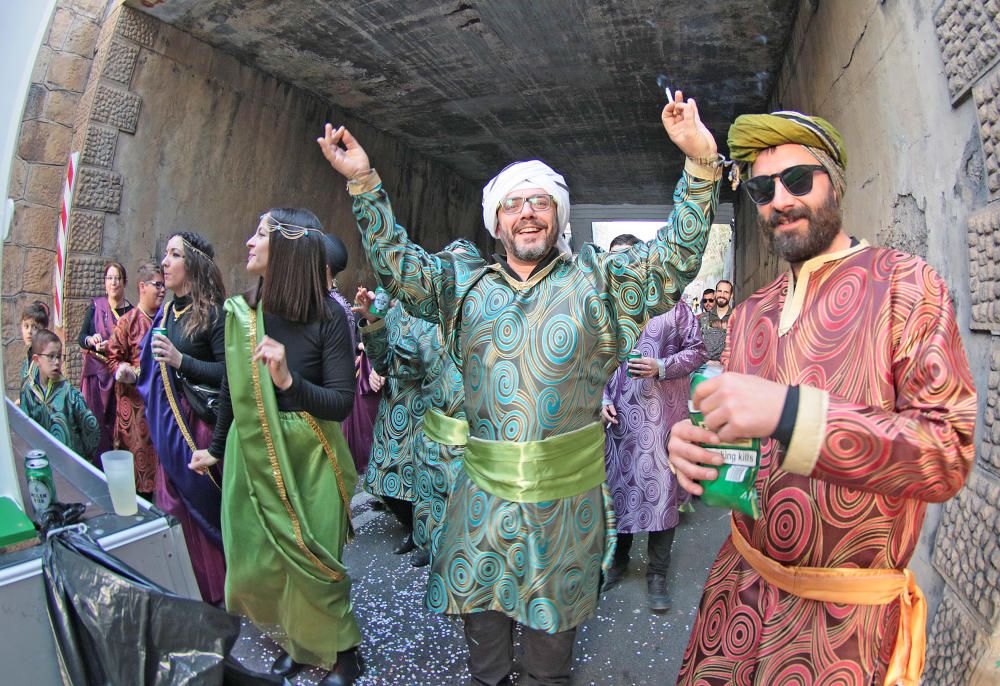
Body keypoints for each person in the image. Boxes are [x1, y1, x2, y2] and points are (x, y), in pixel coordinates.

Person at [318, 89, 721, 685]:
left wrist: (700, 165)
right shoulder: (463, 286)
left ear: (557, 215)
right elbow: (399, 266)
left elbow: (673, 258)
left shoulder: (600, 282)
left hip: (566, 507)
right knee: (483, 646)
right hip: (481, 501)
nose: (527, 212)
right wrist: (364, 183)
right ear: (496, 221)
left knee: (549, 655)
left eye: (540, 202)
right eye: (513, 205)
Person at [669, 111, 976, 686]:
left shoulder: (907, 286)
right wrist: (692, 446)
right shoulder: (749, 313)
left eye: (799, 181)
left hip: (841, 634)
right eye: (762, 189)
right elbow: (732, 435)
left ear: (834, 181)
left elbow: (946, 454)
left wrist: (792, 413)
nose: (780, 200)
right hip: (733, 603)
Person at [190, 209, 363, 686]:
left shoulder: (329, 315)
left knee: (314, 562)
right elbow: (233, 387)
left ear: (287, 247)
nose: (249, 242)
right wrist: (219, 448)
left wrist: (288, 381)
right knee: (265, 563)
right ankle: (301, 643)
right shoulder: (246, 313)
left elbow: (341, 403)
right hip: (257, 457)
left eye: (260, 233)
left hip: (313, 459)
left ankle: (345, 651)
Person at [359, 238, 484, 570]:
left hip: (484, 444)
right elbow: (399, 362)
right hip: (433, 434)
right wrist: (374, 325)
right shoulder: (426, 316)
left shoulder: (495, 316)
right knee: (425, 491)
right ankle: (430, 542)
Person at [600, 233, 708, 612]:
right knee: (618, 492)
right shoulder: (601, 307)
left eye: (628, 257)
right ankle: (617, 562)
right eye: (613, 258)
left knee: (662, 494)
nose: (619, 265)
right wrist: (599, 399)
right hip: (617, 425)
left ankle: (657, 574)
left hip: (661, 419)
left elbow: (698, 351)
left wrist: (662, 366)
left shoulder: (673, 306)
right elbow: (583, 362)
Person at [137, 231, 226, 604]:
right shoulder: (166, 313)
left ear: (193, 265)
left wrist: (181, 360)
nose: (165, 262)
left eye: (174, 254)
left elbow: (230, 373)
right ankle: (185, 588)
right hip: (172, 426)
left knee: (201, 510)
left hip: (200, 428)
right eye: (166, 255)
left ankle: (220, 591)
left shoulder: (213, 314)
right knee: (172, 508)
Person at [363, 296, 436, 557]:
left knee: (418, 477)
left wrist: (387, 367)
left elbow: (423, 359)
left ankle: (422, 534)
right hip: (393, 406)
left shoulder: (435, 310)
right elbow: (382, 351)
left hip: (419, 407)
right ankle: (415, 530)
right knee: (387, 477)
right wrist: (376, 370)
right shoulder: (394, 306)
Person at [106, 261, 166, 501]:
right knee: (139, 476)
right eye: (157, 285)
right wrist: (125, 370)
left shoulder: (166, 320)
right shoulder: (128, 322)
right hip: (136, 410)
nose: (162, 290)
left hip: (163, 407)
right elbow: (113, 359)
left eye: (164, 286)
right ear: (142, 286)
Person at [78, 261, 133, 458]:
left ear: (124, 282)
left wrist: (112, 345)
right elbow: (81, 337)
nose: (113, 282)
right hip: (96, 376)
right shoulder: (96, 307)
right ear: (104, 282)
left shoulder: (131, 313)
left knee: (116, 425)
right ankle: (95, 463)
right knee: (96, 422)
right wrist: (91, 340)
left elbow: (132, 345)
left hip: (119, 377)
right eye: (109, 278)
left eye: (117, 278)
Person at [20, 329, 99, 460]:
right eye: (50, 356)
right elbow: (24, 426)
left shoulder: (69, 393)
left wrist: (85, 458)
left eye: (59, 356)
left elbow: (91, 427)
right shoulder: (27, 389)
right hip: (40, 460)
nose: (56, 362)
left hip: (69, 462)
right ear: (36, 359)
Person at [19, 300, 50, 386]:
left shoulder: (46, 359)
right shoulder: (29, 355)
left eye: (35, 327)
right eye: (26, 326)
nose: (29, 331)